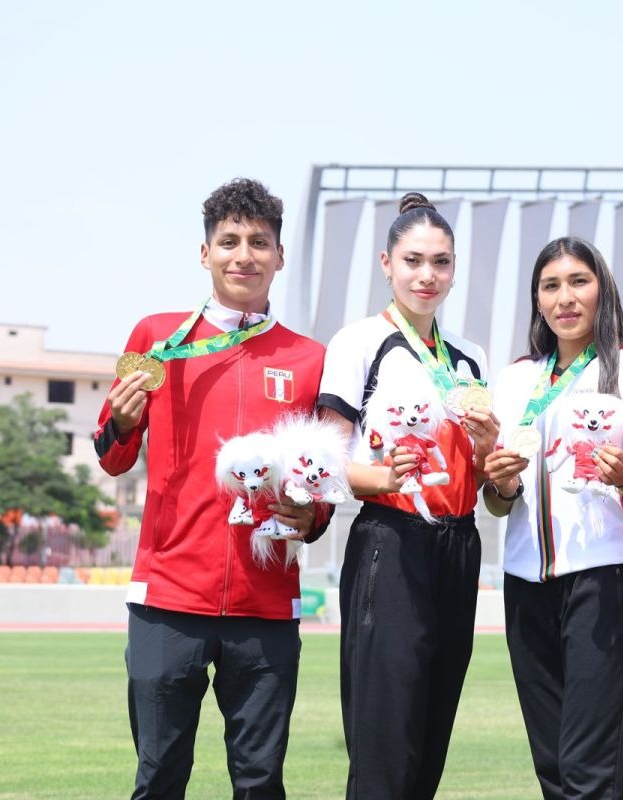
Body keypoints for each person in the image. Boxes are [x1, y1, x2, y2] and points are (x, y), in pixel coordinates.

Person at [95, 178, 332, 800]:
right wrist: (120, 421)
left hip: (266, 603)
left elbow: (323, 479)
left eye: (259, 242)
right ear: (204, 254)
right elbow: (115, 459)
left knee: (259, 782)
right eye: (228, 241)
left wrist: (311, 515)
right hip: (168, 595)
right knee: (159, 777)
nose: (243, 255)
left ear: (280, 256)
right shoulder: (158, 337)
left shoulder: (310, 358)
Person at [317, 192, 499, 799]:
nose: (428, 275)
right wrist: (385, 479)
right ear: (386, 263)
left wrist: (493, 452)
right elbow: (327, 462)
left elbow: (482, 474)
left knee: (431, 731)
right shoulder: (359, 342)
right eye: (414, 260)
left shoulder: (471, 358)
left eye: (441, 262)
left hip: (459, 545)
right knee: (385, 735)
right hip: (389, 543)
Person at [482, 236, 623, 799]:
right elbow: (496, 501)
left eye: (578, 282)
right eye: (550, 285)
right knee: (553, 769)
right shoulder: (516, 378)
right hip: (525, 583)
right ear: (537, 301)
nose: (565, 298)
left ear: (602, 289)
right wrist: (501, 480)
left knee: (589, 770)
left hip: (603, 582)